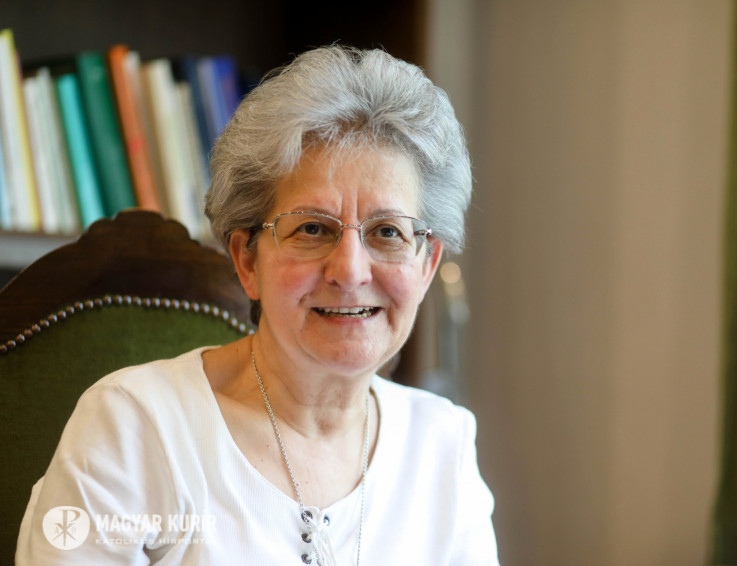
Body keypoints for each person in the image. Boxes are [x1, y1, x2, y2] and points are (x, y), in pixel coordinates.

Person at [16, 46, 498, 565]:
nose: (350, 271)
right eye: (312, 229)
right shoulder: (135, 427)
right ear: (247, 260)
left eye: (387, 232)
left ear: (426, 266)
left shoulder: (442, 445)